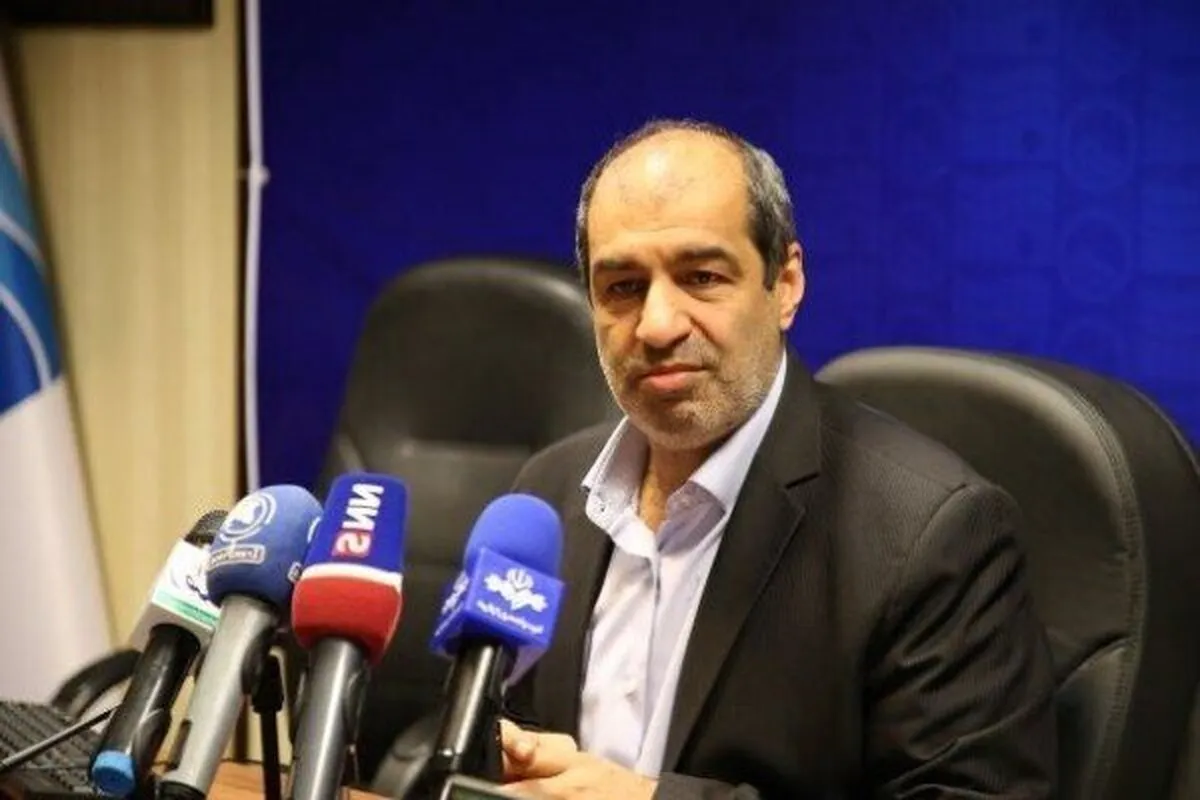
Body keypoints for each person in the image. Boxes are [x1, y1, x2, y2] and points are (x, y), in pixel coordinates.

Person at [498, 119, 1057, 799]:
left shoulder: (932, 535)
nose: (657, 325)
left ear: (785, 284)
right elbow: (482, 728)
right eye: (622, 287)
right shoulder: (547, 493)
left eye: (702, 277)